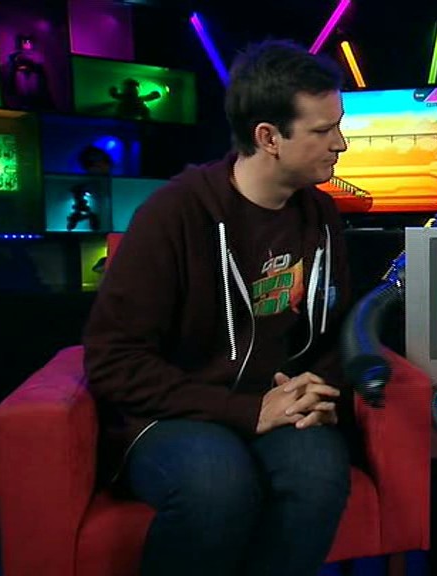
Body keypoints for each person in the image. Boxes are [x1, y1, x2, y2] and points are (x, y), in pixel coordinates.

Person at [82, 40, 353, 576]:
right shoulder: (174, 213)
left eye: (338, 126)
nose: (340, 144)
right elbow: (113, 361)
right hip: (173, 413)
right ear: (268, 138)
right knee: (217, 487)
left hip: (277, 402)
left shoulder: (321, 215)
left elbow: (334, 333)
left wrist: (318, 392)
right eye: (324, 130)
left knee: (319, 476)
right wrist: (247, 411)